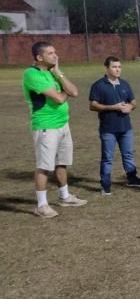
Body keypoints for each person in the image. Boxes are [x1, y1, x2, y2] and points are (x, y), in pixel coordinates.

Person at [23, 41, 87, 217]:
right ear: (39, 57)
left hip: (63, 124)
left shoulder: (52, 73)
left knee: (61, 163)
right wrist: (66, 92)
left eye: (55, 52)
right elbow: (59, 98)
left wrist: (58, 73)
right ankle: (41, 205)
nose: (55, 56)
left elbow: (75, 92)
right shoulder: (31, 74)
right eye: (50, 53)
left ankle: (64, 197)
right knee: (44, 166)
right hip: (46, 126)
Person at [88, 56, 140, 195]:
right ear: (107, 68)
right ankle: (105, 185)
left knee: (128, 154)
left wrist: (130, 107)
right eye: (114, 67)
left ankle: (132, 179)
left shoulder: (125, 84)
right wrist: (113, 107)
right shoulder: (98, 85)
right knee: (107, 158)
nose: (117, 69)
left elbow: (133, 102)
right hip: (108, 129)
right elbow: (93, 105)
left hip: (126, 128)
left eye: (119, 67)